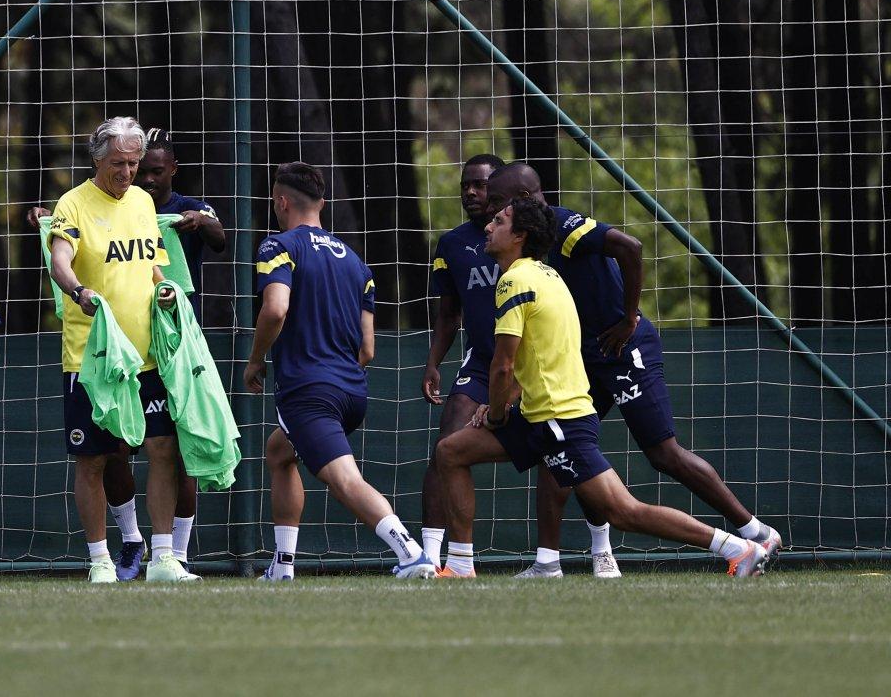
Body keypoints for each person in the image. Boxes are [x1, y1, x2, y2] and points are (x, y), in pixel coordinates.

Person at [434, 197, 769, 578]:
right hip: (539, 416)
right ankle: (461, 564)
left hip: (559, 421)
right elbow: (540, 358)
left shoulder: (515, 281)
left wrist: (494, 414)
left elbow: (503, 365)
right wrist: (507, 406)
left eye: (498, 220)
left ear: (520, 236)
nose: (489, 227)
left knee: (623, 511)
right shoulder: (547, 275)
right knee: (450, 452)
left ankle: (738, 547)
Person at [29, 128, 226, 578]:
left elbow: (151, 263)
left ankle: (164, 558)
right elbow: (60, 258)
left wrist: (165, 290)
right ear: (97, 160)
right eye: (118, 163)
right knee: (95, 458)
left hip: (149, 355)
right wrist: (77, 291)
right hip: (93, 358)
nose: (128, 172)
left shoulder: (141, 202)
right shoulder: (73, 204)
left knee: (163, 449)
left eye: (133, 163)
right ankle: (99, 560)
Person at [244, 162, 436, 581]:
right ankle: (283, 567)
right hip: (352, 391)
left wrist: (256, 360)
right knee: (280, 453)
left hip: (309, 391)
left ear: (280, 202)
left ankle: (412, 553)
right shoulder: (356, 263)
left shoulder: (278, 246)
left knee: (345, 479)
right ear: (323, 204)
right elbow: (368, 347)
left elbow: (275, 308)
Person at [418, 153, 505, 571]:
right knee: (445, 447)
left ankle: (595, 552)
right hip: (482, 362)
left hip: (533, 364)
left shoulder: (531, 236)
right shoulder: (452, 243)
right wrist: (434, 361)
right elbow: (449, 313)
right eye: (465, 185)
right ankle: (431, 559)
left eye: (480, 184)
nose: (470, 192)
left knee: (566, 450)